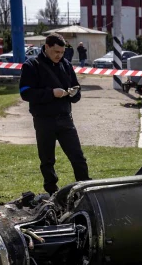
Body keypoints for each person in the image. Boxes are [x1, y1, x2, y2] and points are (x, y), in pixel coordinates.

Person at [19, 33, 91, 195]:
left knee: (78, 157)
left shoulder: (66, 64)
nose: (59, 56)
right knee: (47, 159)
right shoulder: (32, 65)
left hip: (65, 118)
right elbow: (25, 93)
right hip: (44, 120)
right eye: (56, 52)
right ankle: (52, 191)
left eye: (62, 52)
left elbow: (76, 88)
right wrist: (51, 93)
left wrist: (74, 93)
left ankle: (84, 189)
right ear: (46, 47)